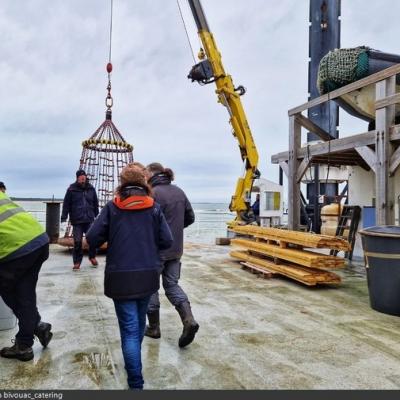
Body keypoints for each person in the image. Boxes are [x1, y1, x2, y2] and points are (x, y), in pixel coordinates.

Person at [86, 165, 173, 390]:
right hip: (147, 276)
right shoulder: (154, 208)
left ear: (121, 182)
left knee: (129, 330)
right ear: (145, 181)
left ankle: (135, 382)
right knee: (136, 327)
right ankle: (135, 373)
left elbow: (92, 238)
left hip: (120, 277)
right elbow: (167, 240)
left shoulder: (113, 207)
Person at [144, 162, 199, 348]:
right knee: (172, 284)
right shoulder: (179, 192)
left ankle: (154, 328)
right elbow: (190, 217)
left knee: (150, 287)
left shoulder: (152, 194)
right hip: (175, 249)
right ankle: (188, 319)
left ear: (151, 174)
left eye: (145, 175)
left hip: (156, 250)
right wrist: (174, 231)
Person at [0, 191, 53, 362]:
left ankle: (25, 344)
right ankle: (34, 329)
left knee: (10, 292)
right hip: (38, 240)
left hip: (18, 249)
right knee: (25, 293)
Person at [61, 169, 99, 271]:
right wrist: (64, 216)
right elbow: (66, 204)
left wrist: (97, 215)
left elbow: (95, 203)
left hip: (89, 219)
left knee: (93, 238)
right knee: (77, 242)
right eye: (81, 177)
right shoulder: (71, 189)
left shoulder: (91, 189)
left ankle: (92, 257)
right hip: (77, 220)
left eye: (84, 176)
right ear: (77, 178)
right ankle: (77, 262)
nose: (83, 178)